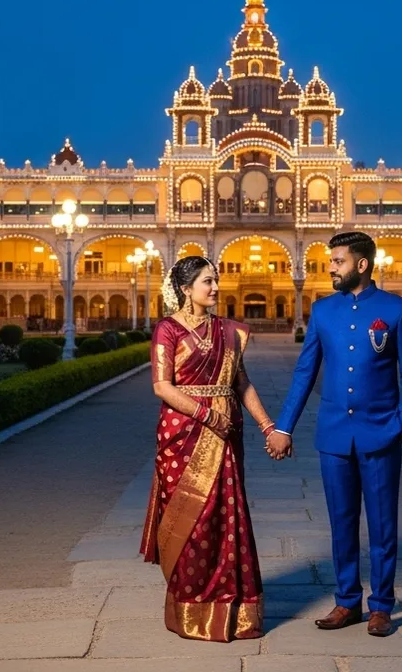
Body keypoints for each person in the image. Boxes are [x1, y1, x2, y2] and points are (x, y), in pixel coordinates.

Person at [266, 231, 402, 637]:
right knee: (341, 523)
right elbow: (305, 372)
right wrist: (283, 427)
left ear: (362, 264)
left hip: (381, 434)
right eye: (331, 261)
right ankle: (347, 601)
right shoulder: (322, 311)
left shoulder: (396, 310)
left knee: (383, 526)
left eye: (338, 261)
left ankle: (381, 606)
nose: (331, 268)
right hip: (334, 437)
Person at [140, 255, 282, 642]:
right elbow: (162, 386)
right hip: (183, 434)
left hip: (226, 431)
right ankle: (191, 607)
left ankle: (233, 608)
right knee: (191, 519)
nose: (216, 287)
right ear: (186, 289)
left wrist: (268, 426)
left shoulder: (228, 331)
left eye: (216, 279)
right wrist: (207, 415)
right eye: (207, 281)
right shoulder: (168, 329)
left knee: (226, 516)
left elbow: (241, 383)